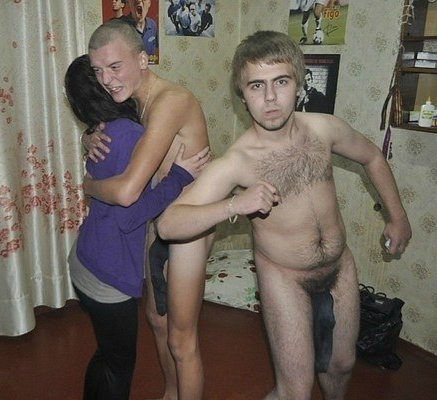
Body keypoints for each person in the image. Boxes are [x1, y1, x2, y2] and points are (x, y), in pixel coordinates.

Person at [157, 30, 412, 399]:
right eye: (256, 86)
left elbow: (372, 156)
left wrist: (397, 216)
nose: (270, 97)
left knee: (342, 365)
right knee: (295, 390)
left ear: (299, 83)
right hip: (284, 278)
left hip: (339, 266)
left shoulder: (323, 129)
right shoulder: (237, 162)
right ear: (242, 94)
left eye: (281, 81)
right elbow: (169, 223)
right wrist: (235, 205)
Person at [83, 18, 214, 400]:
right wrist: (87, 137)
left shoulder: (170, 101)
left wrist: (88, 186)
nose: (106, 80)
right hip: (158, 219)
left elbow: (127, 191)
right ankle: (171, 393)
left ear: (143, 60)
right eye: (98, 71)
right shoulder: (133, 101)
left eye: (115, 66)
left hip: (189, 224)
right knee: (157, 321)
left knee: (181, 338)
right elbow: (104, 131)